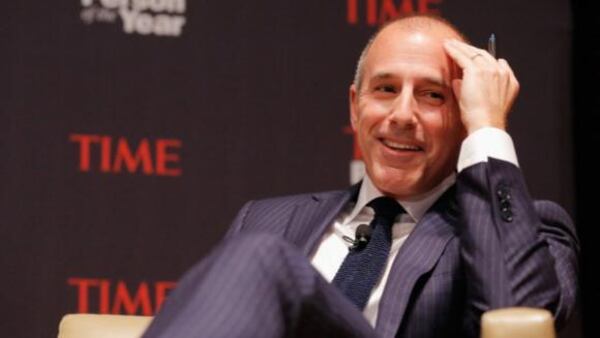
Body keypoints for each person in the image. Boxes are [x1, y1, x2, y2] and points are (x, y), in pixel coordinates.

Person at [142, 14, 578, 338]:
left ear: (462, 115)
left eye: (431, 95)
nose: (402, 115)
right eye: (386, 89)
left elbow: (519, 320)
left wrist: (486, 127)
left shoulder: (528, 227)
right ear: (355, 107)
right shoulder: (264, 219)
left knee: (264, 259)